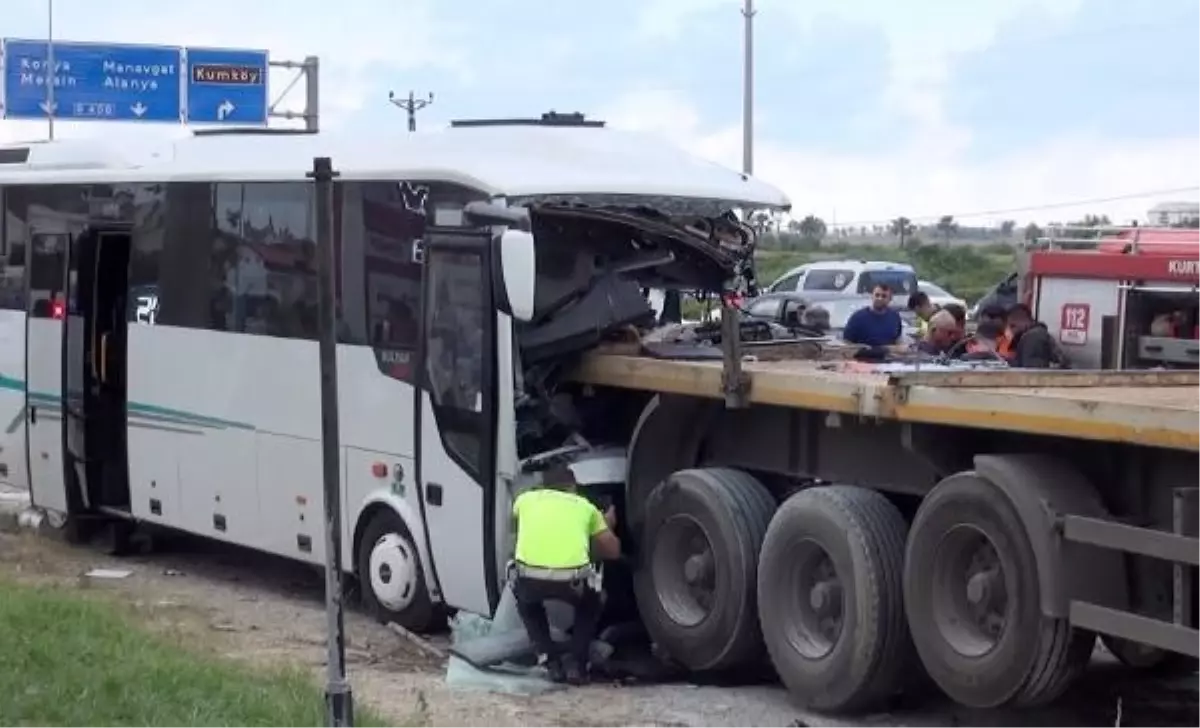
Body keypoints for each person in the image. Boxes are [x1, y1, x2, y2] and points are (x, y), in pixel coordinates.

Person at [511, 464, 621, 685]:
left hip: (530, 577)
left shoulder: (523, 500)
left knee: (526, 602)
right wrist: (607, 524)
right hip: (572, 581)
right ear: (572, 487)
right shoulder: (585, 507)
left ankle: (549, 660)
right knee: (591, 603)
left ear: (542, 486)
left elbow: (520, 528)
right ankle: (577, 666)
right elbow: (613, 552)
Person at [1006, 303, 1069, 368]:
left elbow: (1033, 370)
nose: (1012, 331)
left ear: (1023, 320)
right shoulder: (1036, 335)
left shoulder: (1032, 338)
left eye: (1012, 326)